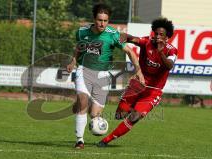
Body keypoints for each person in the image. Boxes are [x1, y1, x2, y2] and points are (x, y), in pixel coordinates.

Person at [66, 3, 144, 149]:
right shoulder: (82, 32)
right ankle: (79, 140)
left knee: (95, 114)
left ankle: (82, 106)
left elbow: (130, 52)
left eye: (105, 20)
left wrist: (138, 70)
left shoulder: (113, 35)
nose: (102, 23)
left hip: (103, 76)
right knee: (83, 101)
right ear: (94, 19)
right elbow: (79, 47)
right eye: (99, 20)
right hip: (84, 71)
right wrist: (73, 61)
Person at [97, 17, 178, 147]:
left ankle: (106, 141)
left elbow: (169, 65)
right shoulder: (147, 42)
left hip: (153, 92)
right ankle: (133, 109)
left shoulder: (171, 50)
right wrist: (125, 36)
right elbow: (133, 39)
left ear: (167, 37)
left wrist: (161, 52)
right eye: (155, 33)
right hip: (137, 85)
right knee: (119, 115)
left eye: (161, 35)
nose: (157, 36)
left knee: (134, 117)